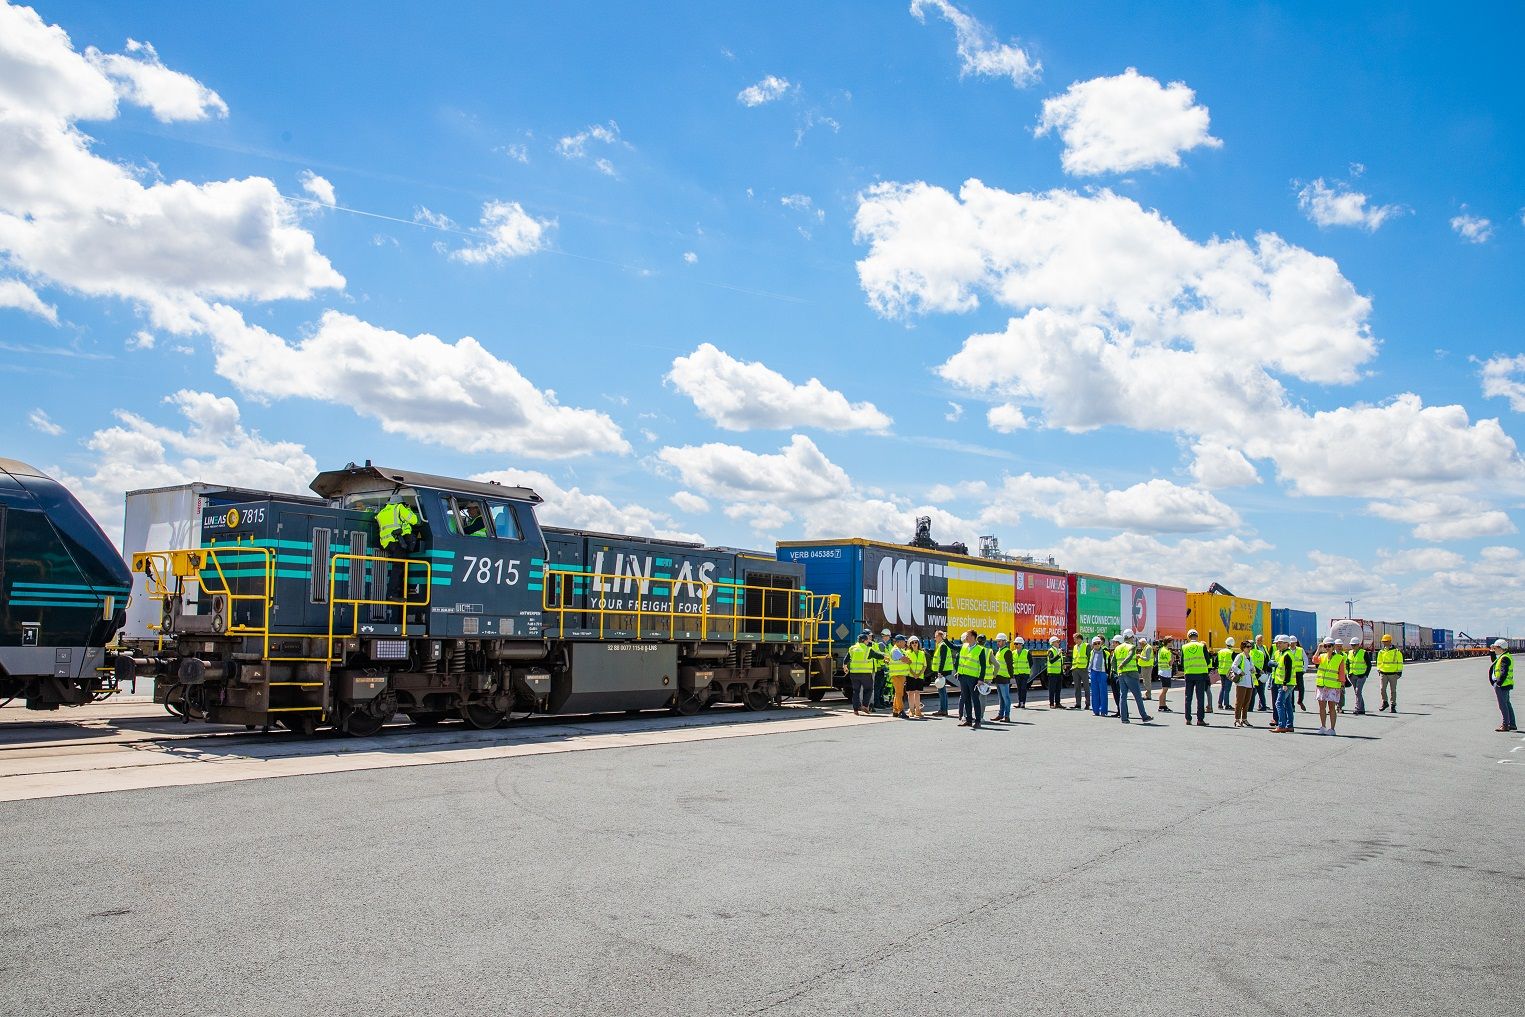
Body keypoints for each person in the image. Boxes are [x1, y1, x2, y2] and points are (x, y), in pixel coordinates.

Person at [375, 497, 422, 601]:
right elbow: (415, 520)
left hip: (386, 544)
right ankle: (392, 594)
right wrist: (408, 509)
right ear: (400, 502)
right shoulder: (399, 507)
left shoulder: (381, 512)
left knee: (398, 566)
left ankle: (397, 591)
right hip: (397, 543)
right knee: (398, 568)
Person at [1314, 637, 1348, 736]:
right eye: (1325, 646)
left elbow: (1341, 673)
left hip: (1333, 686)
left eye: (1329, 646)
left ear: (1333, 647)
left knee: (1332, 707)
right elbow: (1314, 660)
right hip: (1321, 685)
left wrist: (1342, 685)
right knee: (1321, 707)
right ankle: (1323, 726)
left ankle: (1332, 729)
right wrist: (1318, 649)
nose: (1327, 648)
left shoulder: (1339, 658)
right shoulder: (1322, 656)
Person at [1116, 635, 1153, 724]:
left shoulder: (1117, 648)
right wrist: (1122, 664)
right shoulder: (1132, 647)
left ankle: (1124, 718)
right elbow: (1129, 657)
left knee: (1123, 696)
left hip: (1121, 674)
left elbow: (1112, 661)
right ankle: (1144, 716)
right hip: (1131, 674)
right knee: (1137, 696)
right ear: (1130, 637)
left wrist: (1118, 670)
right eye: (1132, 637)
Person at [956, 630, 988, 730]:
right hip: (963, 677)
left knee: (975, 699)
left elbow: (983, 666)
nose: (966, 638)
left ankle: (978, 721)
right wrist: (945, 639)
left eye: (968, 636)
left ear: (973, 637)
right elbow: (953, 647)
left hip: (973, 679)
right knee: (966, 699)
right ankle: (968, 720)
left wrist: (981, 679)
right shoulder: (964, 646)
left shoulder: (980, 649)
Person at [843, 632, 881, 715]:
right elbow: (877, 655)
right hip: (865, 674)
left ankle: (855, 710)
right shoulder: (868, 649)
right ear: (864, 641)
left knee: (856, 691)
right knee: (869, 689)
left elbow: (846, 659)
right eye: (867, 640)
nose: (868, 642)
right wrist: (885, 657)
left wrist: (845, 666)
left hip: (854, 674)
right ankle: (865, 705)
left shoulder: (852, 648)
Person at [1180, 629, 1210, 726]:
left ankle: (1188, 719)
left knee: (1188, 697)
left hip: (1189, 674)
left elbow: (1182, 662)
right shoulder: (1202, 646)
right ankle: (1200, 720)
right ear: (1197, 636)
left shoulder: (1184, 647)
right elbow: (1208, 661)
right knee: (1200, 697)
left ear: (1188, 637)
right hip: (1200, 674)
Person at [1270, 634, 1297, 733]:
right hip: (1286, 683)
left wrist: (1285, 683)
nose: (1278, 645)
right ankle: (1289, 725)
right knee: (1288, 704)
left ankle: (1281, 725)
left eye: (1280, 643)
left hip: (1285, 684)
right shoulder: (1283, 653)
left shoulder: (1287, 655)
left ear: (1287, 644)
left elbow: (1288, 670)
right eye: (1278, 643)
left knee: (1279, 703)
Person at [1490, 639, 1516, 732]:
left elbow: (1504, 672)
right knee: (1507, 704)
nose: (1494, 649)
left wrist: (1498, 683)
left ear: (1500, 648)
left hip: (1502, 685)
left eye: (1495, 648)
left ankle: (1505, 725)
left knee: (1503, 705)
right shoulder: (1504, 656)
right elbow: (1494, 662)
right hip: (1506, 684)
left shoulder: (1504, 658)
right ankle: (1512, 724)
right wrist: (1492, 652)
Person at [929, 630, 956, 716]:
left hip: (943, 671)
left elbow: (942, 660)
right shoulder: (941, 645)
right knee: (942, 691)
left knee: (941, 691)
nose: (935, 638)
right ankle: (944, 709)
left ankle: (943, 710)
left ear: (940, 637)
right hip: (943, 670)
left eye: (936, 637)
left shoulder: (943, 646)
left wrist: (940, 672)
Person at [1375, 634, 1403, 713]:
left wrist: (1399, 672)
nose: (1384, 643)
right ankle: (1385, 702)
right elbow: (1379, 662)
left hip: (1393, 674)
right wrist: (1379, 669)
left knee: (1393, 690)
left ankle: (1393, 705)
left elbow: (1400, 662)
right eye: (1383, 641)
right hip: (1383, 673)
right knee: (1382, 689)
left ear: (1390, 641)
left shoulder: (1396, 652)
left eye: (1386, 641)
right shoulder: (1381, 652)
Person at [990, 634, 1014, 723]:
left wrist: (1010, 676)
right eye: (997, 641)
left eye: (999, 641)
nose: (998, 643)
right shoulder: (999, 651)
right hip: (998, 677)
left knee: (1006, 698)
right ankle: (1000, 715)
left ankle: (1007, 716)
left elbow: (1010, 665)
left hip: (1004, 678)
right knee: (1001, 698)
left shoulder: (1007, 652)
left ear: (1004, 641)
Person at [887, 634, 911, 719]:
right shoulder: (896, 650)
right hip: (897, 675)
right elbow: (904, 659)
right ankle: (901, 711)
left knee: (898, 693)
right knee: (899, 693)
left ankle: (895, 710)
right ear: (899, 642)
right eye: (904, 641)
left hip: (899, 675)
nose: (905, 643)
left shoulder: (900, 650)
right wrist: (908, 660)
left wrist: (907, 660)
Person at [1231, 638, 1254, 727]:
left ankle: (1244, 719)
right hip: (1241, 681)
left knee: (1247, 701)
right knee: (1239, 701)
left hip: (1249, 681)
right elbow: (1234, 666)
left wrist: (1253, 669)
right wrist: (1240, 672)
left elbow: (1251, 666)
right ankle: (1237, 719)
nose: (1249, 648)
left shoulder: (1250, 657)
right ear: (1243, 648)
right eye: (1247, 647)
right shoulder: (1240, 656)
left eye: (1250, 646)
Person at [1345, 639, 1370, 715]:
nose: (1353, 646)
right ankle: (1362, 709)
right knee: (1357, 692)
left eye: (1354, 645)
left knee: (1358, 691)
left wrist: (1366, 674)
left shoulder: (1364, 653)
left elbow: (1369, 664)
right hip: (1352, 675)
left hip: (1361, 675)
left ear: (1358, 645)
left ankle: (1357, 708)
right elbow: (1347, 663)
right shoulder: (1349, 653)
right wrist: (1349, 672)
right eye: (1352, 645)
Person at [906, 636, 928, 719]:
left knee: (917, 693)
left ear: (918, 643)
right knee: (911, 693)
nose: (914, 644)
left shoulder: (922, 653)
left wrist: (919, 674)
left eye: (916, 642)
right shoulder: (907, 653)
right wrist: (913, 674)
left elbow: (924, 665)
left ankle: (918, 710)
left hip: (919, 676)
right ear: (910, 644)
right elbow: (907, 665)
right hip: (911, 676)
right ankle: (911, 711)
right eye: (912, 643)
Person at [1087, 636, 1110, 717]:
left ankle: (1103, 711)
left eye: (1098, 643)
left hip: (1102, 673)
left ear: (1101, 643)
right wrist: (1089, 672)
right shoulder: (1092, 652)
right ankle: (1095, 710)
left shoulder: (1105, 652)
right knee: (1094, 692)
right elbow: (1090, 662)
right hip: (1093, 672)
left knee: (1103, 692)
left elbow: (1109, 664)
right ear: (1092, 644)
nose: (1097, 645)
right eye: (1095, 643)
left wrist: (1107, 673)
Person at [872, 628, 892, 711]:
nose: (886, 637)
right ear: (882, 636)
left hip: (883, 668)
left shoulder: (886, 645)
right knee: (878, 687)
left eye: (888, 636)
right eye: (885, 636)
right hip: (880, 669)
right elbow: (880, 657)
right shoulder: (881, 644)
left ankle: (880, 701)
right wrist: (884, 667)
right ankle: (877, 702)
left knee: (882, 687)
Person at [1012, 636, 1033, 709]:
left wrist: (1027, 669)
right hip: (1017, 673)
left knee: (1023, 688)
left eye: (1017, 644)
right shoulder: (1013, 653)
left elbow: (1031, 663)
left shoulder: (1026, 652)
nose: (1015, 645)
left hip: (1025, 674)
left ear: (1021, 644)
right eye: (1015, 644)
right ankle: (1019, 703)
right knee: (1019, 689)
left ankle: (1023, 703)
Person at [1250, 636, 1270, 713]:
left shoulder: (1263, 648)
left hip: (1258, 673)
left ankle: (1254, 706)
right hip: (1258, 672)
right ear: (1255, 641)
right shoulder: (1257, 651)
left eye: (1261, 640)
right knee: (1259, 690)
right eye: (1258, 640)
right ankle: (1262, 705)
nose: (1259, 642)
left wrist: (1264, 670)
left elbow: (1266, 659)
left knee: (1257, 690)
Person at [1216, 637, 1236, 711]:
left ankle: (1220, 704)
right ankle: (1226, 704)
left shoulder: (1220, 652)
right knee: (1227, 689)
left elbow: (1216, 662)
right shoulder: (1232, 652)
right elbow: (1235, 663)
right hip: (1229, 672)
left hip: (1221, 672)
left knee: (1223, 688)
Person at [1045, 636, 1066, 708]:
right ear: (1053, 643)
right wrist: (1058, 655)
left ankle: (1058, 703)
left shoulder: (1058, 650)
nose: (1059, 643)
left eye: (1059, 642)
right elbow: (1051, 661)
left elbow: (1059, 661)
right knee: (1052, 689)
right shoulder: (1050, 651)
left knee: (1058, 689)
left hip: (1059, 673)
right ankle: (1051, 704)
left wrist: (1062, 666)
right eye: (1057, 642)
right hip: (1052, 673)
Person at [1071, 636, 1090, 711]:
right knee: (1077, 687)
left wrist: (1087, 668)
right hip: (1075, 669)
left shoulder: (1086, 646)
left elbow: (1089, 657)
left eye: (1075, 639)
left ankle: (1087, 703)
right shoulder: (1075, 647)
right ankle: (1078, 703)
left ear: (1079, 639)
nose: (1074, 641)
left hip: (1083, 669)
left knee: (1086, 687)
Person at [1155, 639, 1174, 713]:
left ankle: (1163, 705)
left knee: (1164, 689)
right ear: (1168, 643)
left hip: (1161, 671)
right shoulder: (1168, 652)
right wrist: (1172, 658)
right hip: (1166, 672)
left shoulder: (1161, 650)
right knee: (1164, 690)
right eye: (1171, 642)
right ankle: (1161, 706)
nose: (1172, 644)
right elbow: (1170, 663)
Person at [1292, 637, 1309, 712]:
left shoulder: (1300, 650)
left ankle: (1300, 701)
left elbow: (1305, 659)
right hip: (1291, 673)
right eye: (1291, 643)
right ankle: (1292, 706)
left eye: (1293, 643)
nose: (1292, 644)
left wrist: (1304, 669)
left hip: (1299, 672)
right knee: (1291, 689)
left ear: (1296, 643)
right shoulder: (1287, 650)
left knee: (1301, 688)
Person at [1137, 637, 1156, 701]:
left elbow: (1147, 658)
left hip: (1147, 666)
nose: (1140, 645)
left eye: (1140, 643)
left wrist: (1140, 656)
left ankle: (1148, 695)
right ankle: (1147, 695)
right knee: (1146, 681)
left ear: (1143, 643)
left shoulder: (1148, 648)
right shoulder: (1146, 647)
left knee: (1147, 681)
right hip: (1145, 666)